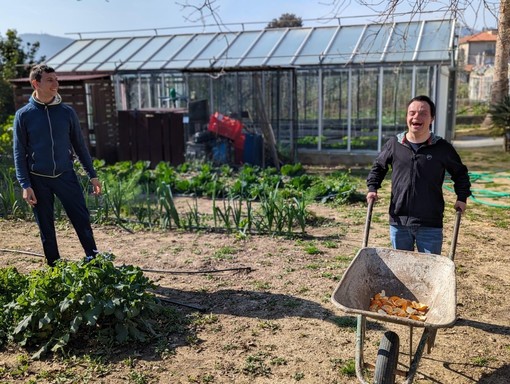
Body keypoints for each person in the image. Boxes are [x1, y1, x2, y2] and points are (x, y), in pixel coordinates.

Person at [13, 64, 102, 267]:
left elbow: (79, 146)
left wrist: (92, 175)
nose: (56, 83)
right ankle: (54, 267)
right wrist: (25, 184)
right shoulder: (24, 115)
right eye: (50, 80)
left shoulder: (66, 112)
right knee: (46, 226)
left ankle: (94, 260)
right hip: (38, 179)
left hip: (65, 175)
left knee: (82, 219)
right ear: (36, 83)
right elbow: (19, 152)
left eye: (56, 79)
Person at [366, 95, 471, 255]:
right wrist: (372, 187)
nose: (416, 117)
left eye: (423, 113)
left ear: (432, 119)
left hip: (430, 222)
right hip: (399, 219)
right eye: (412, 113)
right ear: (407, 117)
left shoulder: (441, 148)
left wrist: (461, 197)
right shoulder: (395, 144)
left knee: (429, 269)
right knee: (402, 269)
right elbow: (378, 167)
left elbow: (460, 173)